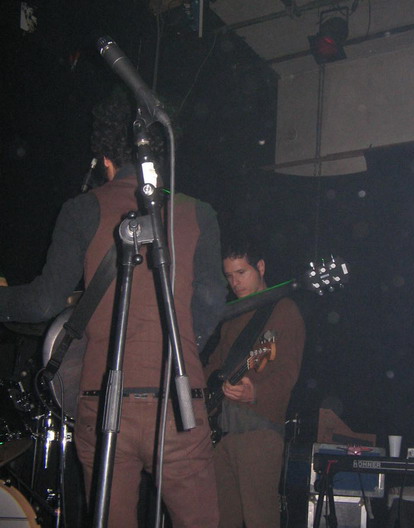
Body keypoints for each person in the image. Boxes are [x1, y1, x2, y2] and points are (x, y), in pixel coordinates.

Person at [0, 92, 226, 528]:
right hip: (177, 409)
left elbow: (44, 301)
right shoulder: (199, 213)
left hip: (105, 408)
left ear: (104, 158)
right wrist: (177, 353)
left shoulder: (83, 209)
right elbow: (212, 300)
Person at [204, 237, 305, 528]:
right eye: (229, 276)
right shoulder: (231, 316)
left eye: (241, 272)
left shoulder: (284, 310)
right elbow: (213, 368)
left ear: (260, 267)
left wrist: (255, 392)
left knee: (260, 519)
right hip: (221, 434)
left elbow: (288, 373)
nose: (235, 282)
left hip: (259, 432)